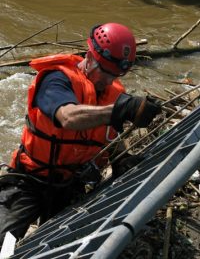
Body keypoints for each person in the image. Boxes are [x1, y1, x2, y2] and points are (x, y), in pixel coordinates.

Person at [0, 23, 161, 245]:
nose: (108, 81)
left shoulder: (113, 93)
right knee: (2, 239)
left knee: (62, 244)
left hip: (71, 183)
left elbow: (109, 136)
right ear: (90, 56)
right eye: (104, 72)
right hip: (29, 181)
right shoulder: (56, 80)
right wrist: (120, 111)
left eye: (114, 75)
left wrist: (122, 159)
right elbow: (68, 117)